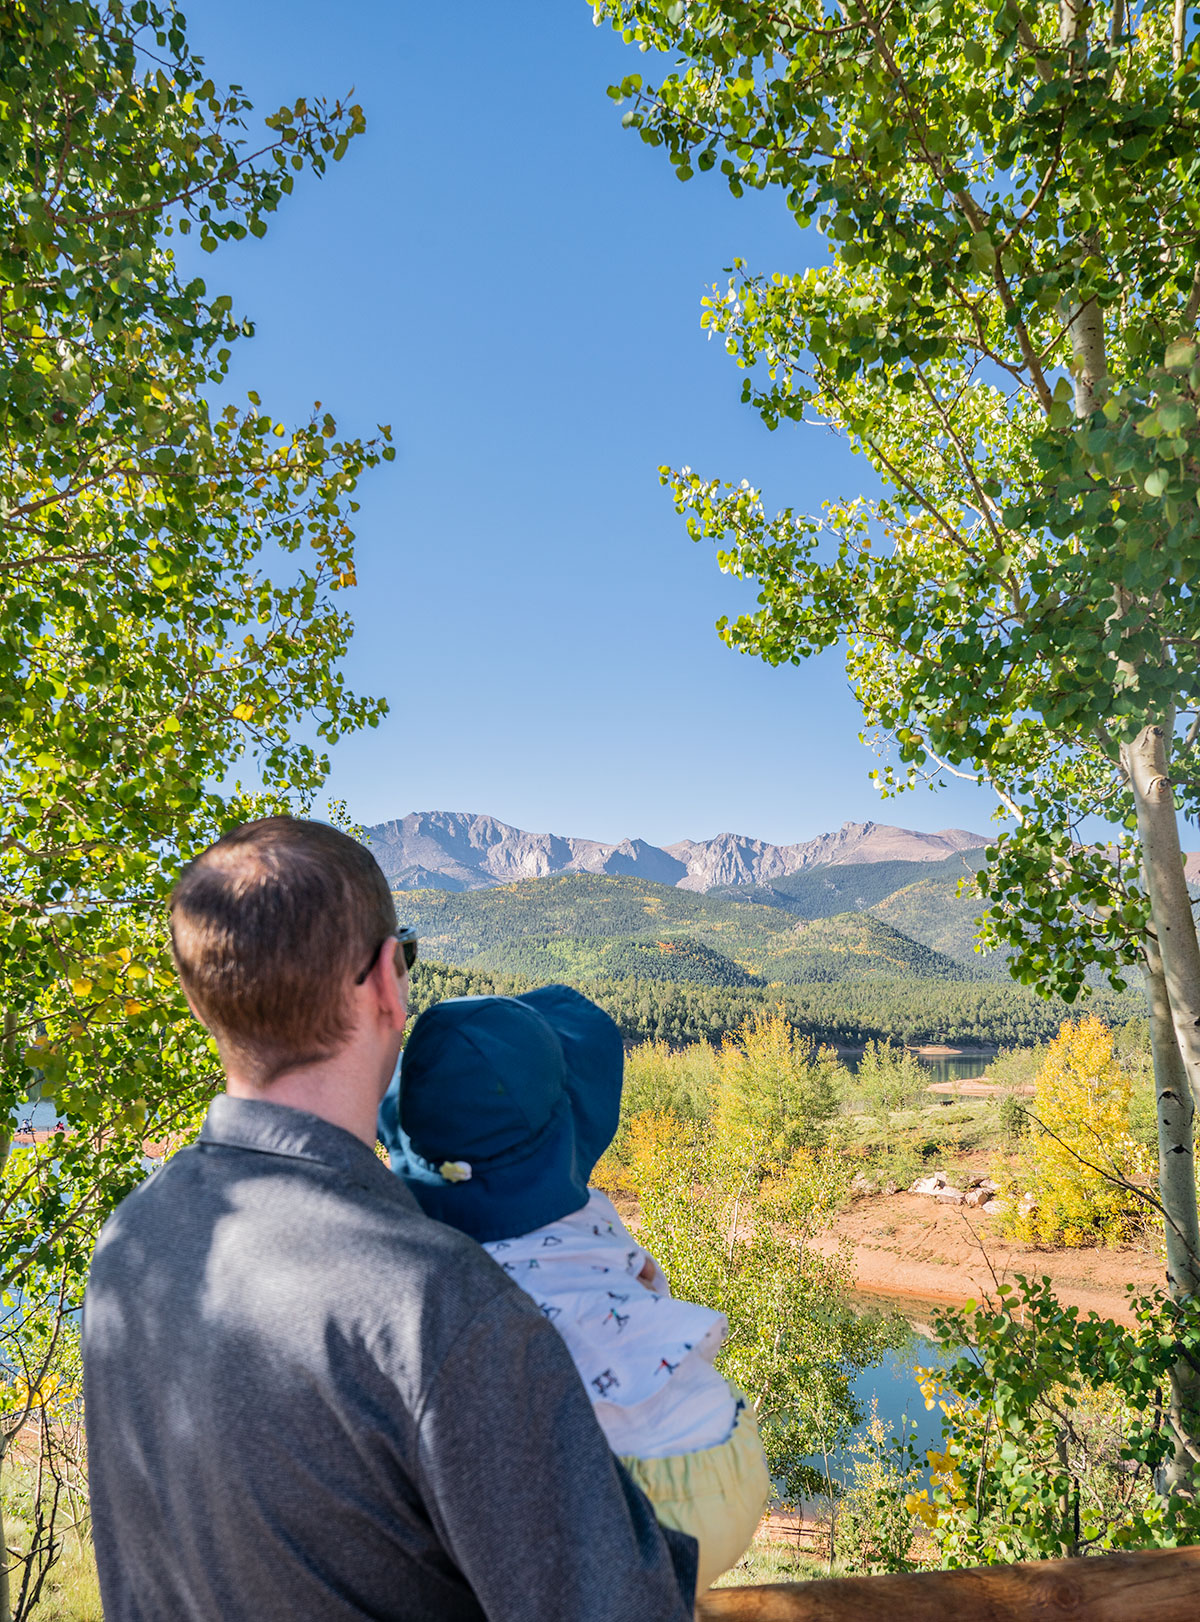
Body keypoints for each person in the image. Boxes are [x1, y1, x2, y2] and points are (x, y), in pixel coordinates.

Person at [81, 816, 697, 1622]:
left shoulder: (134, 1243)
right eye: (403, 955)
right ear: (383, 980)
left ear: (208, 1004)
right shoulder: (438, 1302)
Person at [379, 987, 772, 1592]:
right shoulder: (592, 1212)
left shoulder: (430, 1260)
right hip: (726, 1455)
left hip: (605, 1496)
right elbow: (641, 1285)